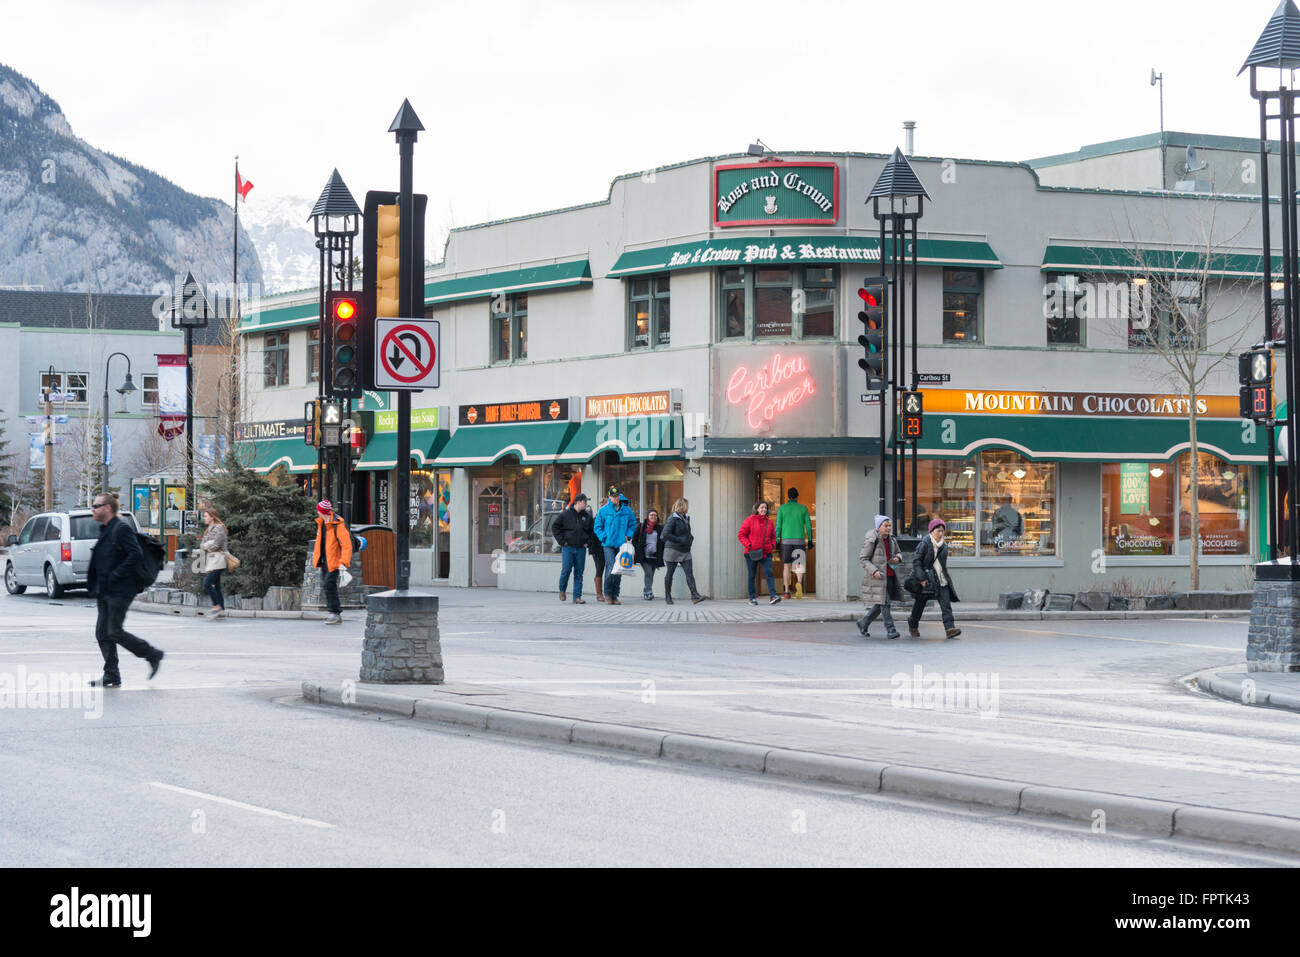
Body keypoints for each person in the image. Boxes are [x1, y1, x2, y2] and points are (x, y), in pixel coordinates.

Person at [87, 492, 163, 687]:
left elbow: (135, 554)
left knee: (114, 631)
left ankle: (152, 654)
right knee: (102, 633)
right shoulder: (105, 529)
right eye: (93, 506)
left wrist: (116, 575)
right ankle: (111, 674)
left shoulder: (121, 529)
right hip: (105, 590)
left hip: (121, 589)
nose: (93, 509)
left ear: (108, 508)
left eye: (96, 506)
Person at [908, 517, 961, 639]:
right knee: (919, 606)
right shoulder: (925, 543)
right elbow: (916, 561)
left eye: (942, 530)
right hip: (926, 580)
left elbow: (942, 565)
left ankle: (950, 629)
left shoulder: (944, 546)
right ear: (931, 531)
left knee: (946, 605)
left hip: (941, 580)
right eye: (938, 531)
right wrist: (921, 578)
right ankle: (913, 625)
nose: (941, 533)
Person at [858, 514, 902, 639]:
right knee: (885, 603)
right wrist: (875, 571)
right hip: (877, 577)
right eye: (886, 525)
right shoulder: (872, 540)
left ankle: (863, 622)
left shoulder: (892, 539)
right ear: (878, 527)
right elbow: (863, 559)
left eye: (889, 526)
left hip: (890, 576)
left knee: (880, 603)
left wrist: (898, 558)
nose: (888, 528)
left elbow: (899, 552)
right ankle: (891, 629)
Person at [593, 486, 637, 604]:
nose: (615, 498)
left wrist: (628, 535)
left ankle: (615, 595)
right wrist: (604, 537)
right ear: (609, 497)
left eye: (617, 496)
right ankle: (607, 594)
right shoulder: (603, 510)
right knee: (611, 566)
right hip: (608, 543)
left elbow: (633, 524)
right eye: (613, 496)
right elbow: (597, 526)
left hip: (621, 544)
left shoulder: (627, 510)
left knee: (620, 568)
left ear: (619, 496)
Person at [312, 499, 353, 625]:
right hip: (325, 561)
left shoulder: (337, 525)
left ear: (322, 512)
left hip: (335, 562)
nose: (317, 512)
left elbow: (347, 545)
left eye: (318, 510)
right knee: (328, 585)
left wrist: (344, 562)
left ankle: (334, 612)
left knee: (329, 584)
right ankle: (334, 612)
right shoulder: (322, 523)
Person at [662, 497, 707, 605]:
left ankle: (695, 595)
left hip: (685, 550)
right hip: (672, 550)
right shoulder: (672, 518)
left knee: (689, 573)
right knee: (670, 573)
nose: (688, 507)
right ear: (683, 506)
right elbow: (664, 535)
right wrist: (680, 540)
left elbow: (685, 532)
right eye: (687, 505)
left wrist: (690, 538)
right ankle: (668, 596)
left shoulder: (685, 517)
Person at [553, 493, 593, 604]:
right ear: (577, 502)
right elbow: (555, 527)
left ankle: (577, 597)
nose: (586, 504)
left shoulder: (587, 516)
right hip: (568, 547)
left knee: (579, 572)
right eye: (584, 502)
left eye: (586, 502)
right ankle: (562, 589)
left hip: (581, 548)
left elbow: (591, 532)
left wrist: (588, 543)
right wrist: (562, 541)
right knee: (566, 570)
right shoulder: (565, 515)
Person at [738, 501, 781, 605]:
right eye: (762, 507)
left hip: (766, 553)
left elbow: (773, 537)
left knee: (769, 573)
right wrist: (749, 545)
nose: (764, 510)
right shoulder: (749, 520)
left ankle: (773, 596)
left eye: (765, 508)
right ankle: (752, 598)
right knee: (752, 575)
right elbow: (741, 535)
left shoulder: (769, 522)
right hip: (751, 553)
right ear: (757, 509)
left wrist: (772, 545)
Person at [775, 486, 812, 599]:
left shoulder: (782, 508)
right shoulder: (803, 508)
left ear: (787, 496)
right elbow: (809, 526)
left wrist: (777, 540)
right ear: (797, 496)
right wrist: (810, 539)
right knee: (799, 564)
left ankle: (786, 591)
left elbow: (778, 526)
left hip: (786, 541)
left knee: (787, 566)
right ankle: (799, 583)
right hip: (799, 540)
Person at [199, 506, 230, 620]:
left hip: (219, 560)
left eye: (206, 516)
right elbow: (202, 545)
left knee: (207, 583)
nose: (204, 518)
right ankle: (221, 610)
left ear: (212, 517)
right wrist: (208, 544)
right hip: (212, 561)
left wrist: (208, 545)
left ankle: (216, 606)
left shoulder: (219, 528)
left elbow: (216, 545)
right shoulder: (208, 530)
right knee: (216, 587)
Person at [633, 508, 665, 600]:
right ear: (648, 516)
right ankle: (648, 592)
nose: (653, 517)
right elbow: (634, 539)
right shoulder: (641, 526)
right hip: (644, 555)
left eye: (655, 515)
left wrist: (661, 552)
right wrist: (638, 548)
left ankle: (647, 590)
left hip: (654, 556)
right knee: (648, 573)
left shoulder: (660, 528)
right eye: (651, 515)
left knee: (651, 574)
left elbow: (662, 542)